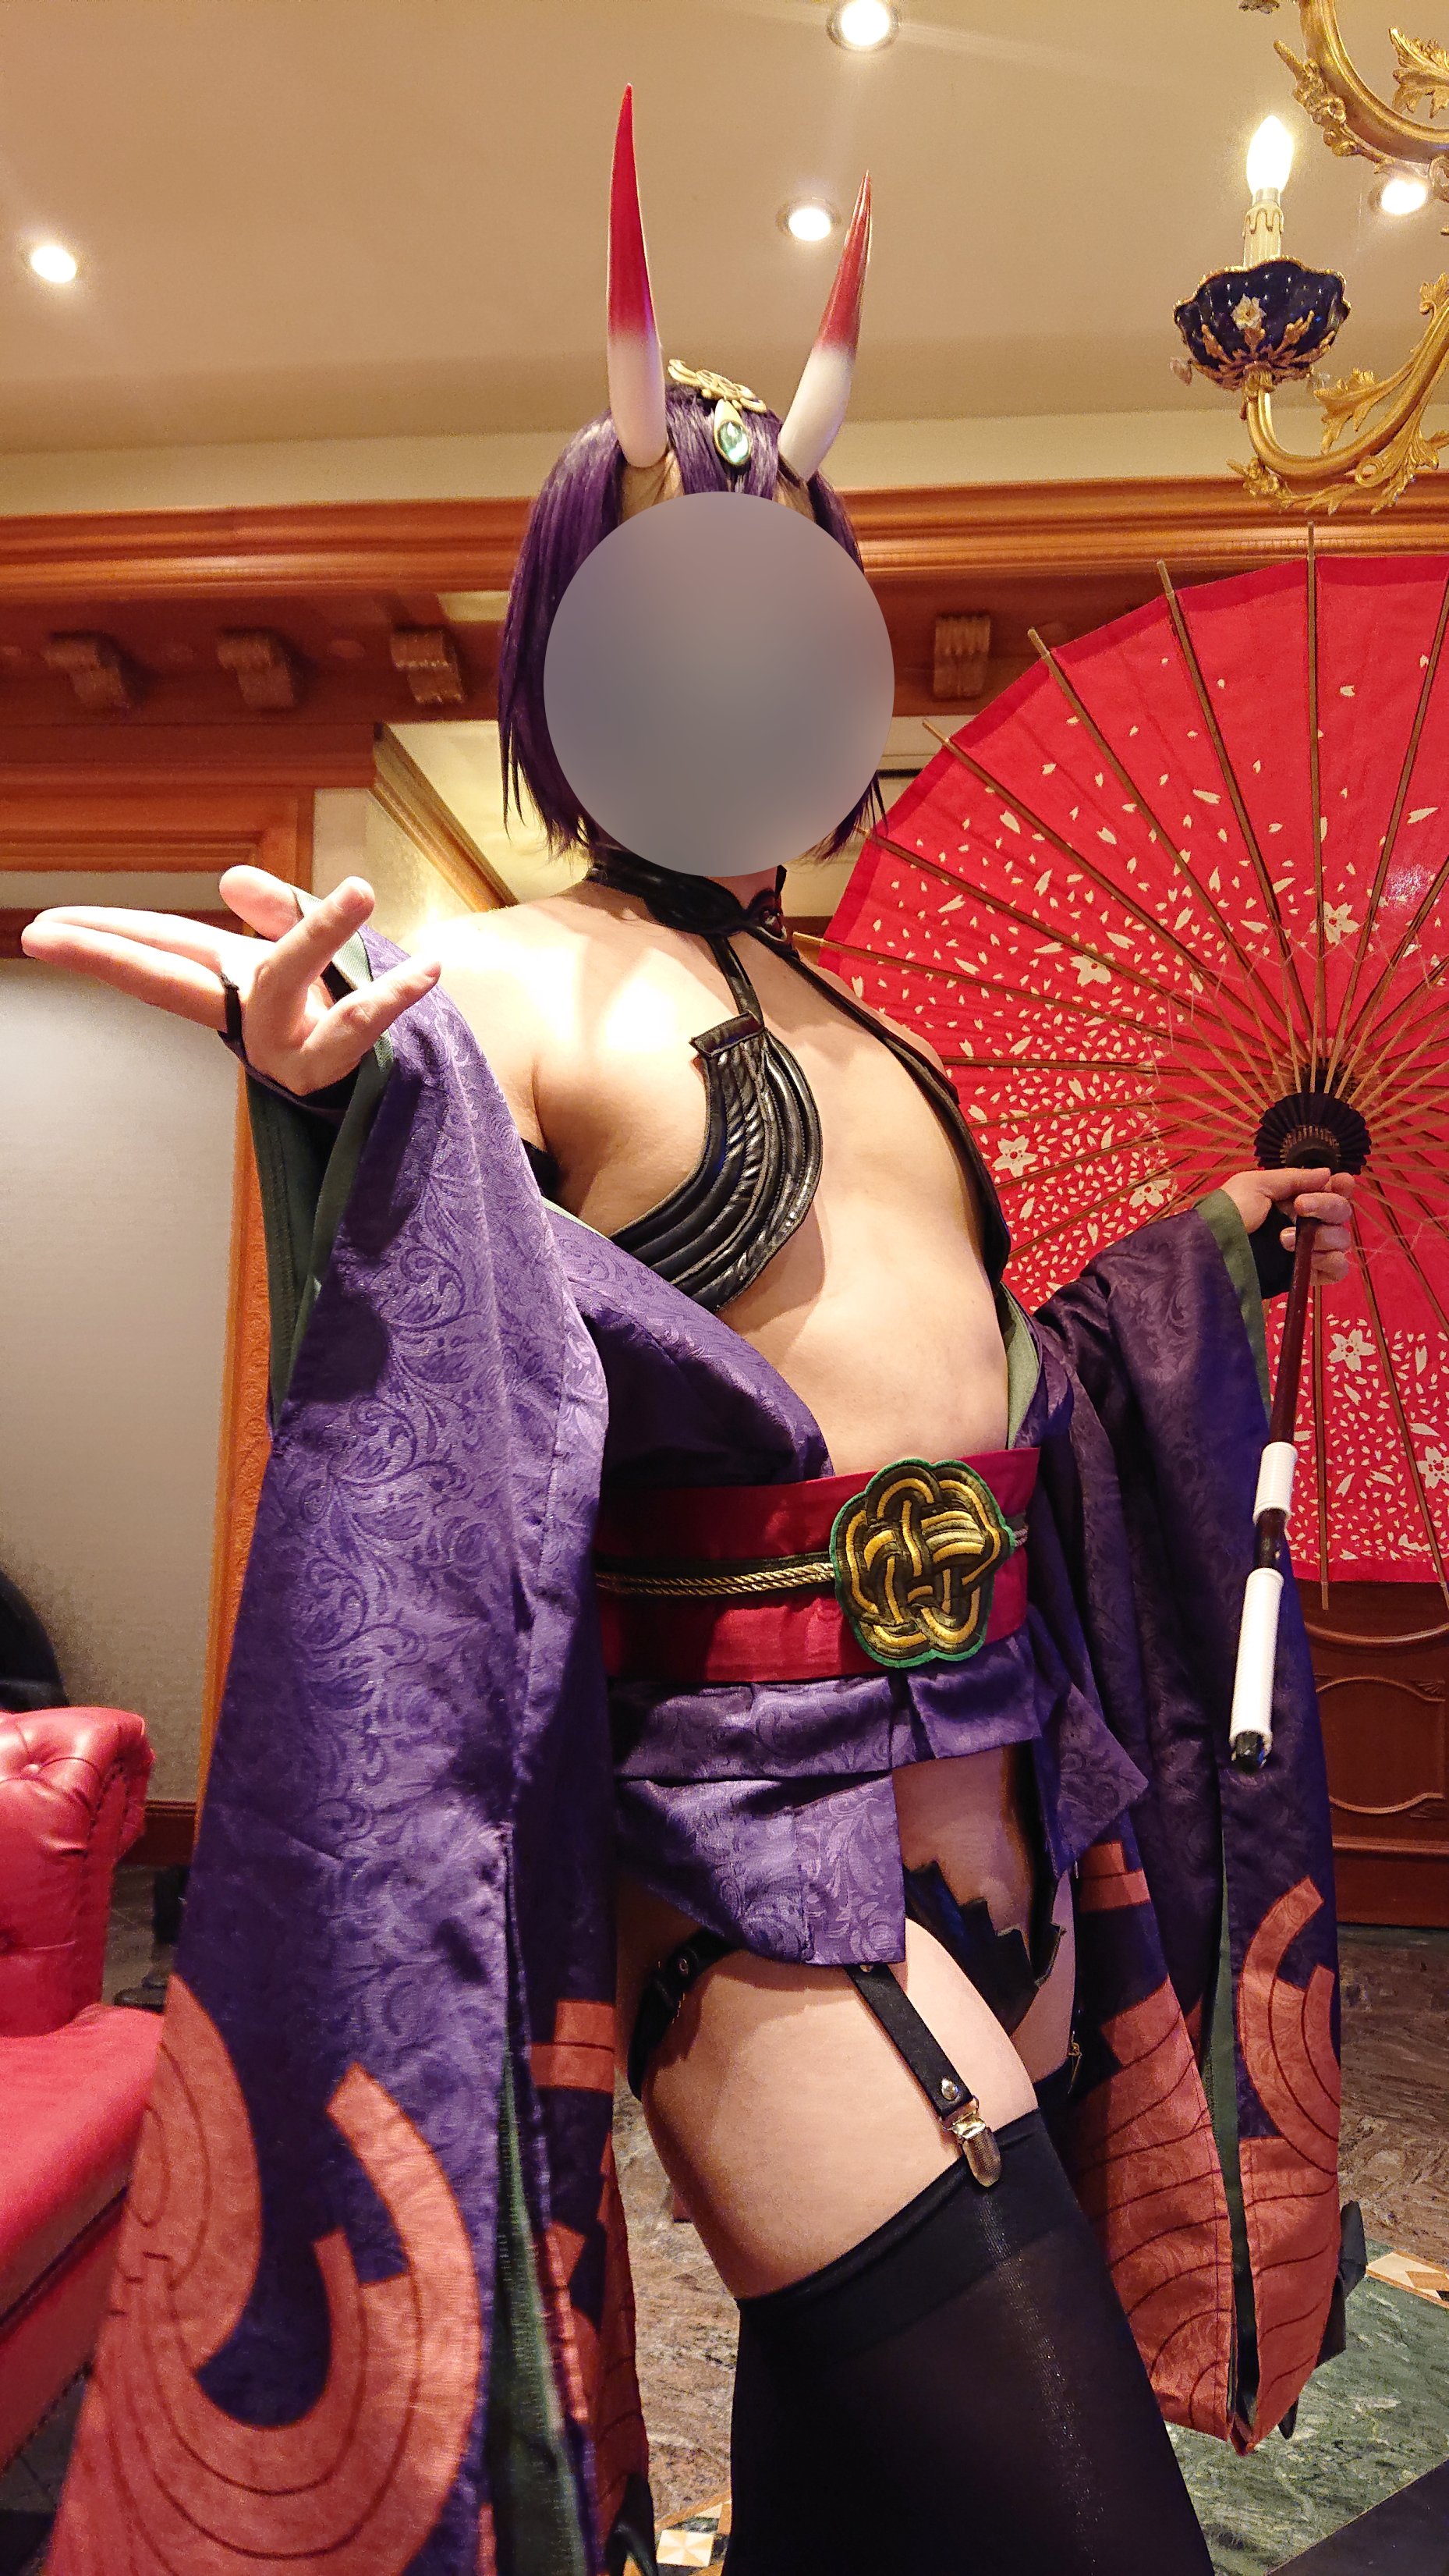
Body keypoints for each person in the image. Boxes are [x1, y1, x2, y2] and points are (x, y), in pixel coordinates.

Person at [34, 97, 1355, 2576]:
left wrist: (1201, 1251)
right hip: (751, 1869)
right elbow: (425, 1229)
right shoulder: (508, 978)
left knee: (872, 2512)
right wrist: (324, 1083)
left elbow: (1000, 1390)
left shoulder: (881, 1033)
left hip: (1011, 1809)